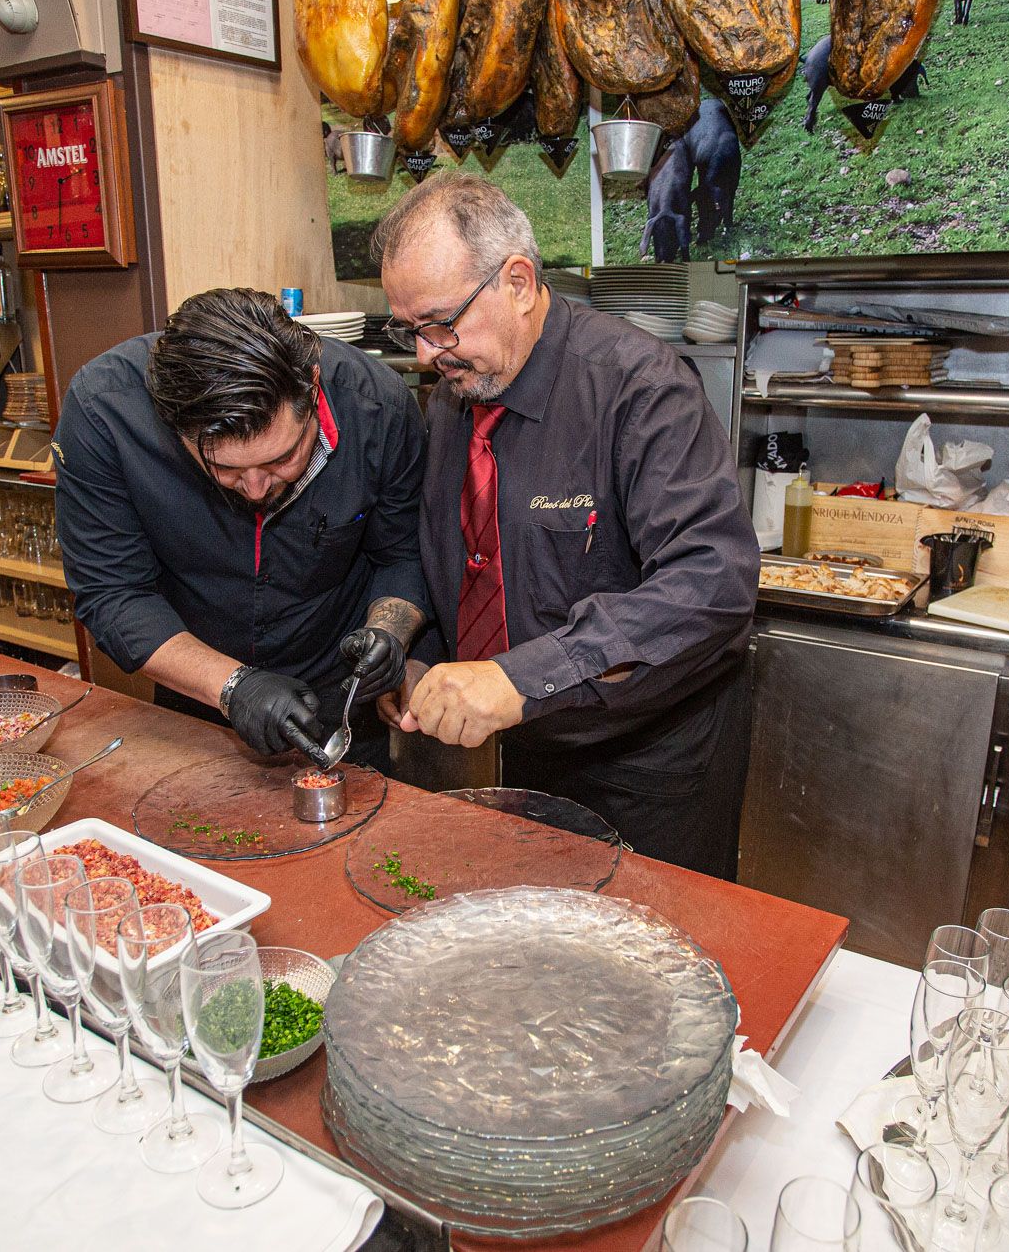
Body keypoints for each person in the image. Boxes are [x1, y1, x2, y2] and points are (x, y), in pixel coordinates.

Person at [372, 174, 759, 878]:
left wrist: (521, 677)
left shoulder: (640, 388)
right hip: (523, 748)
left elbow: (714, 581)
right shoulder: (455, 397)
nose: (426, 353)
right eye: (410, 329)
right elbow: (454, 559)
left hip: (645, 763)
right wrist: (422, 658)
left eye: (439, 322)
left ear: (517, 281)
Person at [54, 287, 426, 769]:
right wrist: (234, 685)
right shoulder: (103, 410)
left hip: (341, 695)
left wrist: (389, 635)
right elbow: (112, 592)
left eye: (283, 457)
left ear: (311, 388)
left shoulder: (378, 406)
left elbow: (401, 553)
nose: (253, 488)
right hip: (198, 690)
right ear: (172, 423)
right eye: (225, 468)